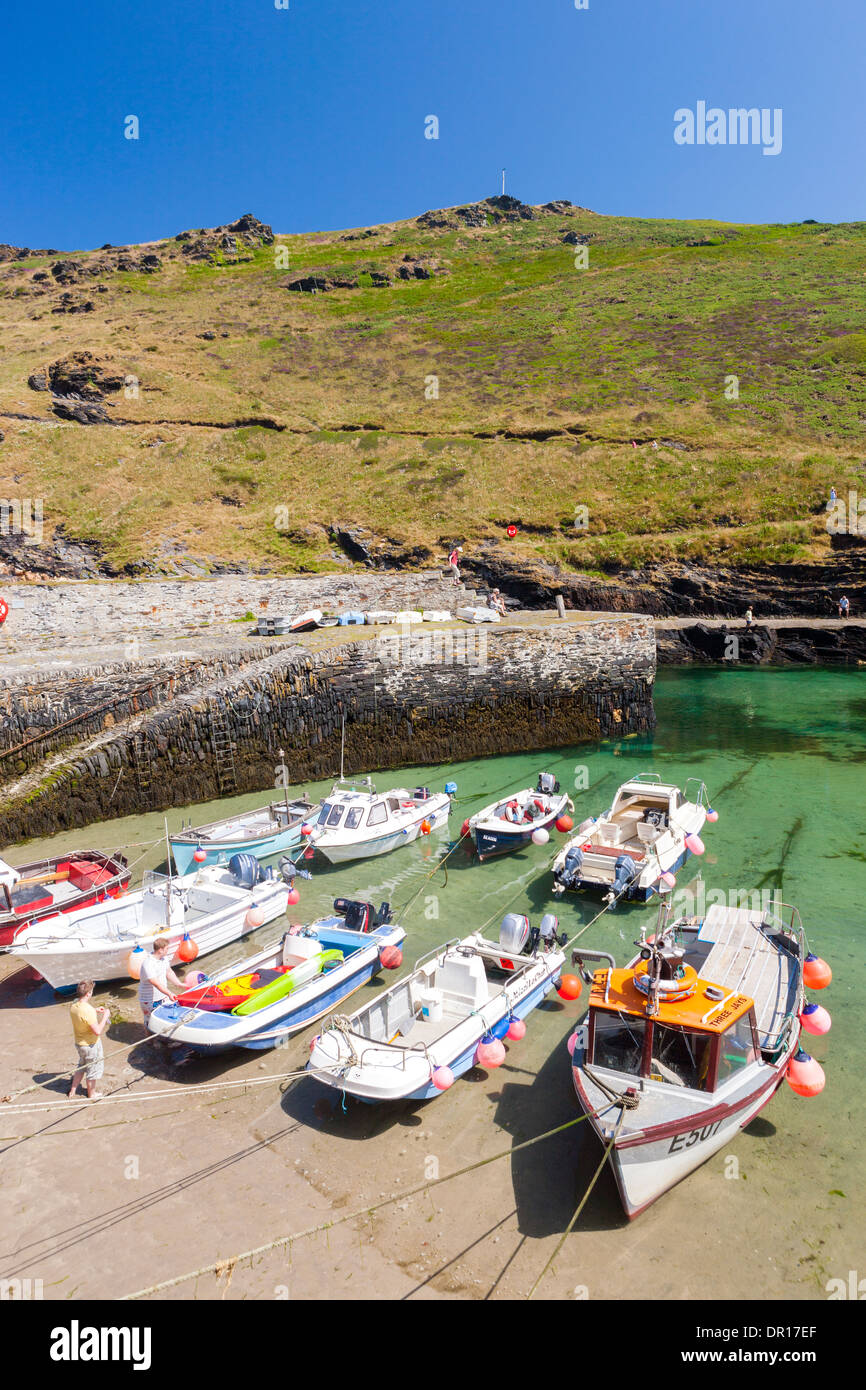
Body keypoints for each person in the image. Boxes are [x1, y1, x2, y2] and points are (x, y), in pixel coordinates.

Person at [68, 980, 110, 1101]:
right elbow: (97, 1031)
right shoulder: (87, 1010)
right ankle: (92, 1094)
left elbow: (82, 1013)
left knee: (81, 1066)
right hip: (91, 1045)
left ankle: (73, 1090)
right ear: (88, 993)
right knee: (93, 1070)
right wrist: (105, 1017)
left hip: (79, 1043)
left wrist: (95, 1010)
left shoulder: (74, 1005)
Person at [138, 936, 184, 1028]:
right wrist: (170, 993)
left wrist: (179, 984)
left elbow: (169, 972)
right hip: (149, 999)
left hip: (163, 996)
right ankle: (150, 1042)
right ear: (160, 950)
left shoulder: (164, 959)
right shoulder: (148, 963)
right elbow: (155, 982)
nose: (168, 950)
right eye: (167, 948)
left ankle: (164, 1039)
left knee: (165, 1018)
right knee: (150, 1021)